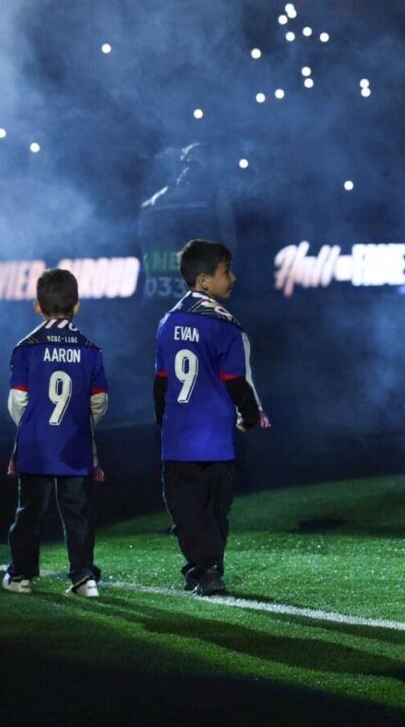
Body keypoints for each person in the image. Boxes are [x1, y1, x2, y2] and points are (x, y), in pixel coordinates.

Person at [154, 238, 270, 597]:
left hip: (179, 441)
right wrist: (250, 416)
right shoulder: (226, 325)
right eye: (226, 272)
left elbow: (161, 383)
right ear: (204, 281)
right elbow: (236, 380)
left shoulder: (166, 323)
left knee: (186, 512)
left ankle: (201, 568)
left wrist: (164, 425)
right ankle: (209, 568)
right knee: (215, 511)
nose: (233, 278)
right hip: (217, 440)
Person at [3, 268, 109, 597]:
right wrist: (79, 425)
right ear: (77, 305)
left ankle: (21, 576)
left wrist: (34, 426)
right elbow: (99, 402)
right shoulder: (91, 350)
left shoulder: (26, 348)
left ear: (37, 306)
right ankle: (84, 578)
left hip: (36, 446)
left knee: (30, 513)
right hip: (75, 446)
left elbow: (18, 401)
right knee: (79, 513)